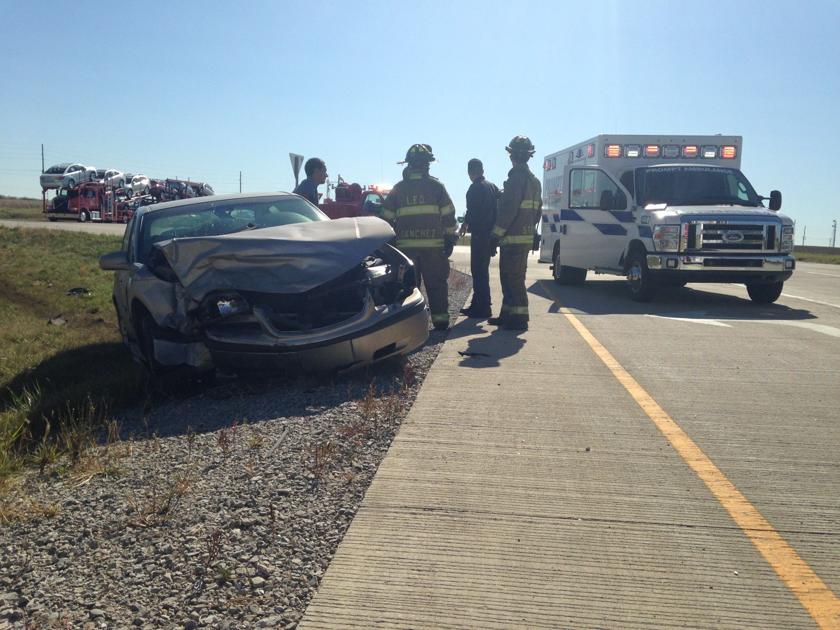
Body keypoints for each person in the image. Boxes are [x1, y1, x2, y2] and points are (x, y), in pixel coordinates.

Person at [381, 144, 458, 331]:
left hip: (406, 251)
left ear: (408, 165)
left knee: (409, 288)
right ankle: (440, 322)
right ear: (427, 165)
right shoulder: (436, 187)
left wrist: (389, 246)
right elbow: (449, 216)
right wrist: (450, 239)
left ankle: (411, 326)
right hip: (434, 249)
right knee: (436, 285)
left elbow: (384, 220)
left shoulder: (397, 190)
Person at [488, 136, 542, 331]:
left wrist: (495, 235)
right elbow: (537, 212)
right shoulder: (534, 181)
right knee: (511, 277)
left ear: (511, 155)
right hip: (524, 238)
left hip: (512, 240)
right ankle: (507, 314)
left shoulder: (515, 180)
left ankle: (519, 319)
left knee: (513, 280)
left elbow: (508, 211)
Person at [459, 158, 498, 319]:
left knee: (478, 271)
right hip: (491, 235)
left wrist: (464, 225)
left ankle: (482, 308)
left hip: (480, 235)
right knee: (482, 271)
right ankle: (478, 304)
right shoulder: (493, 187)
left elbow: (472, 211)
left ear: (470, 172)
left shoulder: (475, 188)